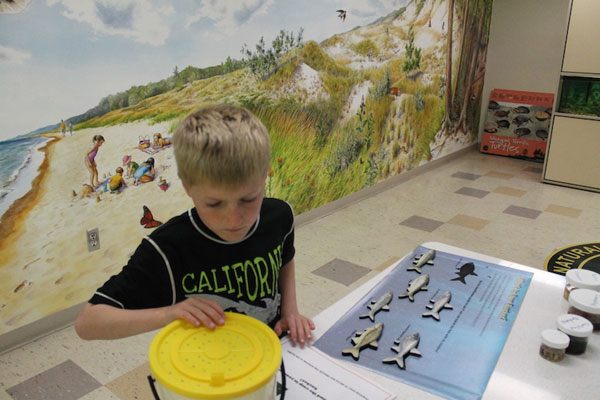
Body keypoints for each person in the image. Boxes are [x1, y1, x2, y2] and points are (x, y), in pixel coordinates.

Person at [75, 104, 315, 345]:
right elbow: (88, 323)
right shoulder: (166, 249)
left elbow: (285, 258)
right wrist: (167, 314)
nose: (234, 219)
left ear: (264, 177)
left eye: (249, 199)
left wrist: (289, 311)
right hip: (204, 368)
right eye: (213, 203)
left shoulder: (279, 215)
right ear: (188, 186)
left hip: (270, 352)